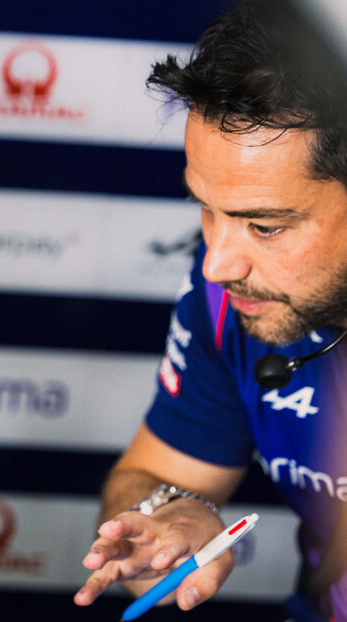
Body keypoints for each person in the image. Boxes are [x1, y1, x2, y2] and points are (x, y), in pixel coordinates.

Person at [72, 1, 347, 619]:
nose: (218, 264)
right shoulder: (230, 299)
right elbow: (147, 474)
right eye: (206, 210)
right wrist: (166, 516)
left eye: (266, 227)